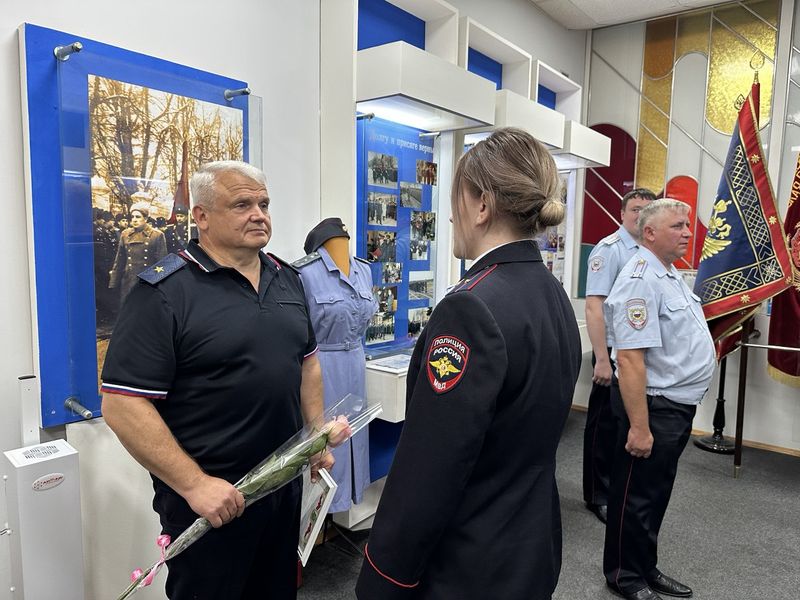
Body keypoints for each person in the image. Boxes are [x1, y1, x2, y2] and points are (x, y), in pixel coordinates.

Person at [355, 128, 582, 600]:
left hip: (468, 562)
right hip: (529, 547)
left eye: (455, 196)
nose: (449, 214)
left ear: (482, 205)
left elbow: (430, 468)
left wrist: (382, 579)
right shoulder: (550, 291)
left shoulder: (471, 308)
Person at [101, 161, 332, 600]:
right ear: (201, 216)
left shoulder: (287, 279)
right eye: (242, 204)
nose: (259, 215)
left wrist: (315, 435)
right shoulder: (164, 292)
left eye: (264, 204)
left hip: (281, 488)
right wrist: (194, 484)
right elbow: (122, 404)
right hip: (210, 504)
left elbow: (307, 363)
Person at [603, 199, 715, 600]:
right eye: (677, 226)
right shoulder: (639, 280)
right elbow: (630, 359)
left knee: (655, 493)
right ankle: (624, 575)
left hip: (675, 405)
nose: (688, 232)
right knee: (634, 496)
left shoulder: (667, 273)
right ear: (649, 232)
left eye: (687, 225)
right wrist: (639, 426)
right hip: (651, 406)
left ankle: (645, 566)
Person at [293, 217, 378, 513]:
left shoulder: (364, 270)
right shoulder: (302, 273)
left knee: (353, 436)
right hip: (320, 367)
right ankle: (317, 515)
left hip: (356, 363)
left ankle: (345, 500)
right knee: (323, 439)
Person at [583, 188, 655, 523]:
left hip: (634, 354)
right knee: (604, 426)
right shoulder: (609, 250)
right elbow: (594, 306)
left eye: (647, 210)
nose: (640, 215)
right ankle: (597, 494)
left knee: (625, 424)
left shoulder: (648, 251)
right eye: (635, 209)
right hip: (610, 354)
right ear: (622, 213)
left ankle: (616, 489)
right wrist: (601, 358)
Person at [108, 202, 168, 302]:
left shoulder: (157, 235)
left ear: (146, 219)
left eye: (138, 217)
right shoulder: (125, 234)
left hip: (148, 283)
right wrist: (113, 282)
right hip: (128, 282)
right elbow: (119, 261)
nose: (134, 220)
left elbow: (163, 263)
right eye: (132, 217)